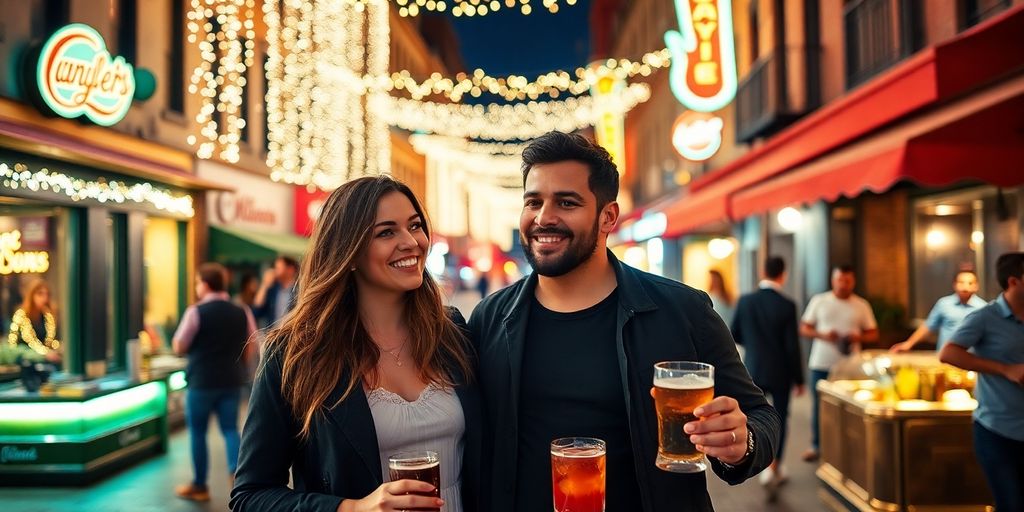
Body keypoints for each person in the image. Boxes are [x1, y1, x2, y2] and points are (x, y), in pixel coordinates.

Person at [468, 131, 780, 512]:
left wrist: (741, 442)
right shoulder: (489, 319)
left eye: (566, 202)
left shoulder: (683, 310)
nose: (544, 217)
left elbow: (762, 416)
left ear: (608, 217)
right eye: (533, 202)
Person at [231, 176, 480, 512]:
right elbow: (250, 495)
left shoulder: (451, 332)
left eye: (415, 226)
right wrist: (351, 508)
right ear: (348, 251)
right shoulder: (296, 354)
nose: (411, 242)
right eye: (386, 232)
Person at [939, 253, 1024, 511]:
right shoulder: (985, 317)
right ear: (1014, 282)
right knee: (1011, 505)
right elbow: (948, 353)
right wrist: (1005, 369)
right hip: (997, 431)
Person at [173, 262, 258, 501]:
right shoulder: (242, 311)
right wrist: (239, 365)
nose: (196, 287)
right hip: (231, 380)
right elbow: (251, 344)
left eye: (197, 282)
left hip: (201, 382)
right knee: (230, 429)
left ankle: (200, 486)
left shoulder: (195, 312)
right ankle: (239, 480)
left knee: (198, 432)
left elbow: (179, 345)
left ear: (206, 284)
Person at [730, 256, 804, 495]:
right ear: (783, 274)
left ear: (763, 272)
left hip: (753, 369)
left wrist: (754, 346)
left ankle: (756, 463)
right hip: (781, 372)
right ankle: (775, 467)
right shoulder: (787, 305)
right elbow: (792, 347)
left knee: (753, 415)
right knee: (780, 418)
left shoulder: (746, 301)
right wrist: (799, 379)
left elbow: (734, 333)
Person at [799, 265, 878, 462]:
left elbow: (873, 333)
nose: (843, 284)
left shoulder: (861, 305)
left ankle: (849, 445)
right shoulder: (820, 301)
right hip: (821, 363)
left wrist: (858, 337)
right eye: (840, 280)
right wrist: (823, 335)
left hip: (850, 366)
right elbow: (804, 328)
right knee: (819, 406)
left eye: (847, 281)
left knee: (850, 406)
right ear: (833, 280)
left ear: (853, 282)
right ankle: (817, 445)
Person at [890, 270, 986, 353]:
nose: (965, 287)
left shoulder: (983, 308)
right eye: (961, 282)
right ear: (955, 284)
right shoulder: (944, 304)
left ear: (976, 286)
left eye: (970, 283)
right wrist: (909, 344)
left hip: (971, 359)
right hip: (945, 357)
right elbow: (928, 326)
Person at [6, 279, 61, 365]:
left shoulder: (47, 316)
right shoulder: (21, 315)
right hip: (25, 361)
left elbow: (50, 342)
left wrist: (57, 348)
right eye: (40, 294)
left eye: (47, 294)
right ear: (31, 295)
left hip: (45, 361)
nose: (44, 298)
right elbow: (14, 344)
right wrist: (44, 353)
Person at [252, 255, 299, 326]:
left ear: (290, 269)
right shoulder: (273, 289)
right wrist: (264, 285)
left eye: (278, 268)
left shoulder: (299, 290)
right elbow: (256, 311)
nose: (274, 271)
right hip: (273, 331)